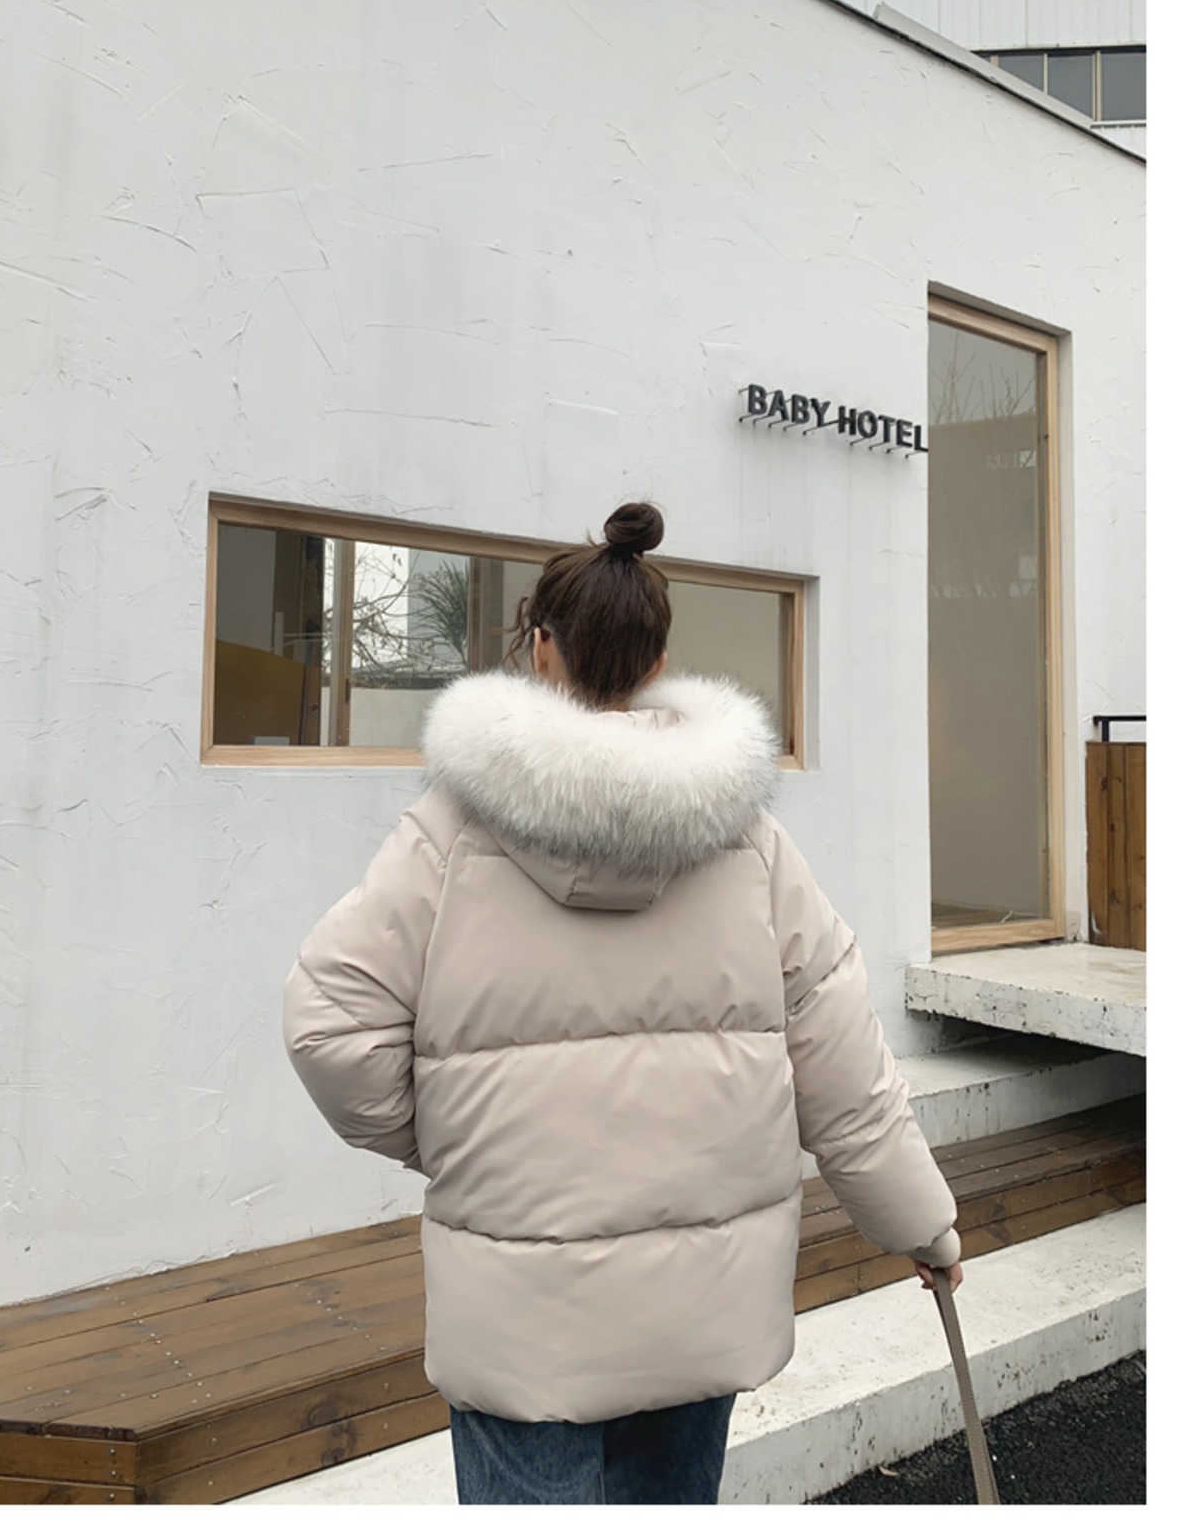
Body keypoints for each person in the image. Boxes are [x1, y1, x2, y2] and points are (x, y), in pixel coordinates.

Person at [283, 501, 962, 1506]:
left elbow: (329, 1023)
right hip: (698, 1303)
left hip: (521, 1317)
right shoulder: (749, 842)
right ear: (655, 661)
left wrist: (448, 1137)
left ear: (540, 647)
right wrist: (925, 1228)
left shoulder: (450, 832)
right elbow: (847, 1074)